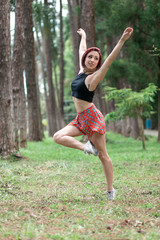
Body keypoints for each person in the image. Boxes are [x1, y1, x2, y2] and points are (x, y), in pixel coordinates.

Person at [53, 27, 133, 200]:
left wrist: (122, 40)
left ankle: (111, 190)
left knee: (103, 155)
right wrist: (84, 36)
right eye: (90, 57)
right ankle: (87, 147)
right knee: (58, 136)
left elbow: (109, 60)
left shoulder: (93, 78)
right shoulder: (81, 72)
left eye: (96, 59)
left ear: (98, 63)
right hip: (81, 118)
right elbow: (83, 49)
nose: (92, 60)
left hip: (92, 118)